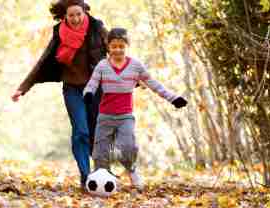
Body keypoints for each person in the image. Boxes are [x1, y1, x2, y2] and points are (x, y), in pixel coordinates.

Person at [11, 0, 107, 189]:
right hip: (72, 89)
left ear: (84, 12)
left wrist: (135, 78)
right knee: (81, 131)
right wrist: (22, 88)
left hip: (96, 88)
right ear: (65, 16)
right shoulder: (59, 33)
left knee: (96, 132)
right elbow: (44, 61)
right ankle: (86, 176)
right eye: (71, 15)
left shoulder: (97, 28)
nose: (75, 19)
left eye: (78, 14)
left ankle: (101, 172)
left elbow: (115, 52)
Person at [83, 28, 188, 190]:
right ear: (108, 47)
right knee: (100, 152)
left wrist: (173, 98)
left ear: (126, 46)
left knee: (128, 146)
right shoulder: (102, 66)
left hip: (125, 116)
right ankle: (101, 181)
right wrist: (88, 93)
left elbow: (153, 84)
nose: (117, 50)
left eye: (121, 46)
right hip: (105, 116)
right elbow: (92, 83)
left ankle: (131, 170)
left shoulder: (135, 66)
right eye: (114, 46)